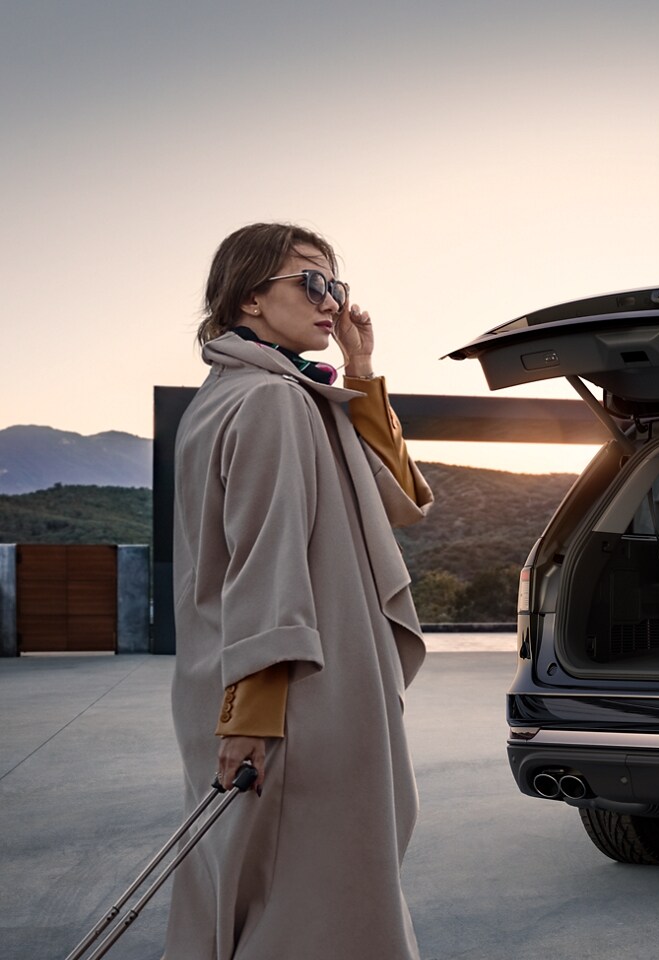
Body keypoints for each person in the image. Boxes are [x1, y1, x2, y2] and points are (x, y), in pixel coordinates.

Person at [167, 223, 432, 959]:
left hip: (253, 691)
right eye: (312, 281)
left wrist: (362, 365)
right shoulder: (272, 402)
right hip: (295, 699)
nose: (332, 299)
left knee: (254, 892)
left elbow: (399, 499)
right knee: (321, 900)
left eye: (338, 285)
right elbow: (266, 562)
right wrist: (251, 715)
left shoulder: (247, 393)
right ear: (250, 296)